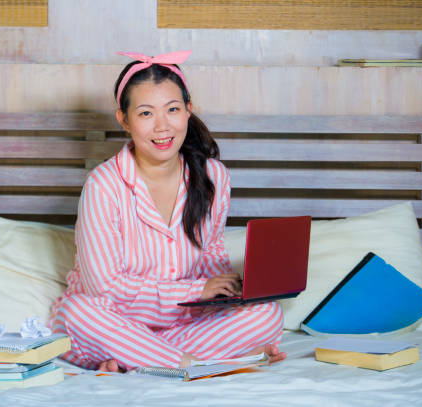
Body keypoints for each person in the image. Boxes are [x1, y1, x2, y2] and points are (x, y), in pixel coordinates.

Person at [49, 51, 286, 372]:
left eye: (173, 110)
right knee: (80, 312)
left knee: (267, 314)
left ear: (189, 110)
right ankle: (200, 364)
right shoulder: (103, 185)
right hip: (113, 320)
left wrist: (227, 290)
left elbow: (211, 252)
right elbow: (102, 289)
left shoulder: (214, 175)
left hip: (183, 322)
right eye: (146, 113)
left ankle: (141, 359)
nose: (162, 126)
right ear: (124, 119)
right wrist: (195, 289)